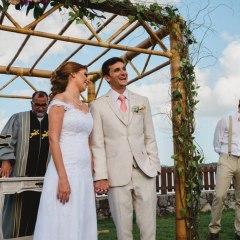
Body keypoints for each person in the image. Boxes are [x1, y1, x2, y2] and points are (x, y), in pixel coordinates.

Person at [90, 57, 160, 240]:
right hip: (115, 175)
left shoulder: (142, 101)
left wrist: (154, 165)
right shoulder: (97, 106)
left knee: (149, 227)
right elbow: (97, 144)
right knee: (123, 229)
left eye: (124, 69)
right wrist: (101, 176)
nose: (123, 73)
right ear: (107, 77)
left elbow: (149, 137)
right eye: (117, 70)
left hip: (145, 171)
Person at [33, 61, 97, 240]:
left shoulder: (86, 107)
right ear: (72, 75)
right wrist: (62, 178)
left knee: (82, 217)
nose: (88, 79)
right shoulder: (59, 101)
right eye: (85, 74)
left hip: (83, 173)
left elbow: (89, 143)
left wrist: (91, 174)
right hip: (65, 169)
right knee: (64, 216)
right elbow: (53, 139)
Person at [0, 91, 50, 238]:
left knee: (41, 215)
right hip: (20, 176)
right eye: (37, 105)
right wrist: (5, 161)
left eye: (43, 105)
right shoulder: (18, 118)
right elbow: (4, 139)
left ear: (48, 104)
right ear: (31, 103)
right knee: (16, 215)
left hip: (45, 177)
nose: (40, 108)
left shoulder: (54, 120)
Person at [208, 101, 240, 240]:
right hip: (227, 158)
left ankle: (239, 232)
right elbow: (216, 142)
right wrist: (224, 155)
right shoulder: (226, 119)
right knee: (219, 195)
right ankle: (214, 231)